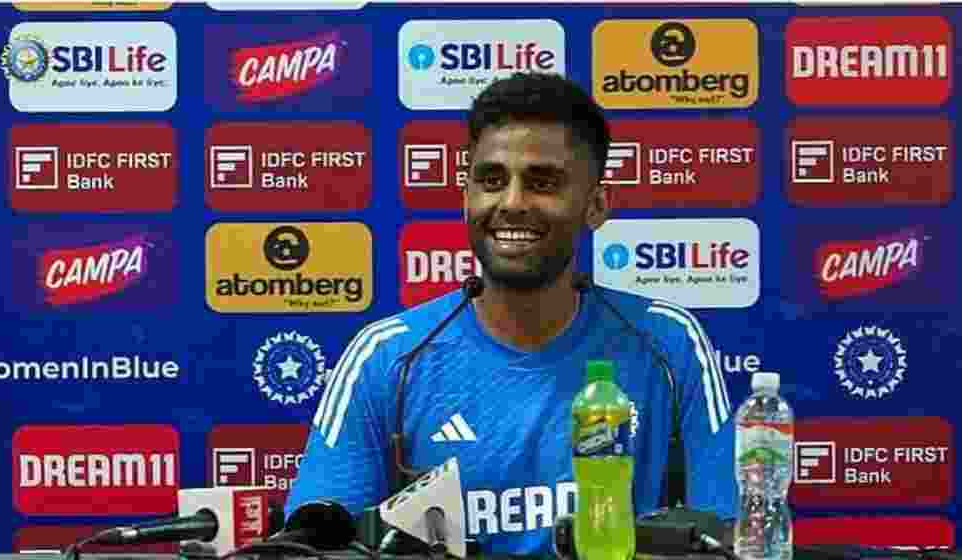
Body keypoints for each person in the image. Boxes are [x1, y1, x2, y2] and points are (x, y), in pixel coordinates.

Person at [287, 71, 737, 556]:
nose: (513, 202)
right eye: (491, 180)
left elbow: (730, 537)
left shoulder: (669, 342)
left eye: (542, 183)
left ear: (596, 205)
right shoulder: (386, 356)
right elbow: (314, 546)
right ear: (465, 196)